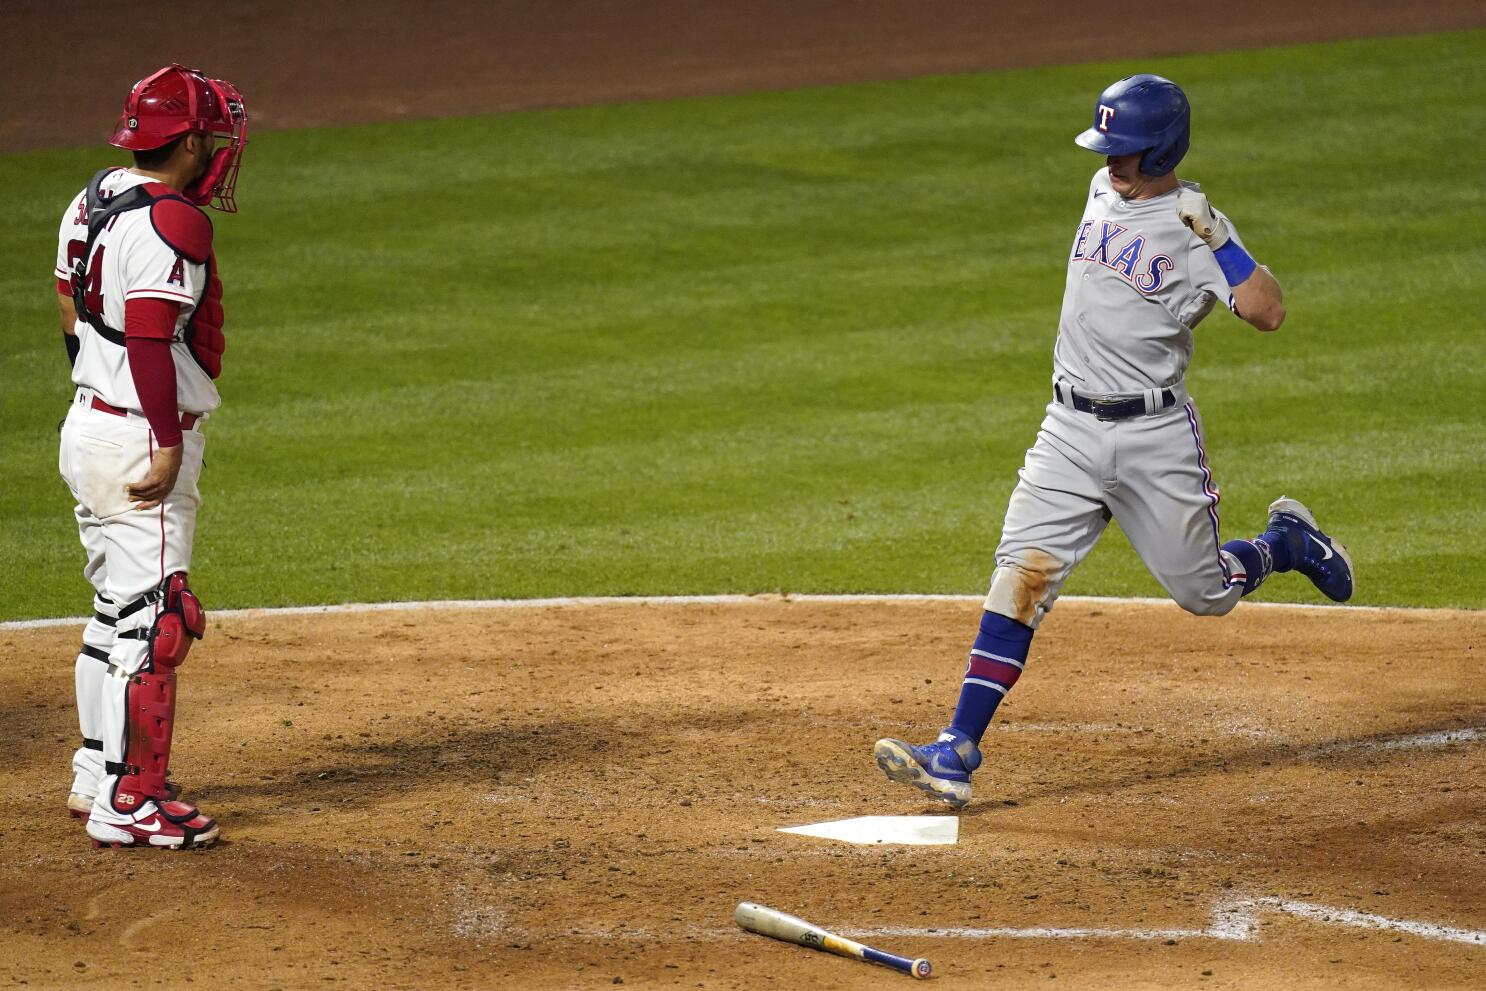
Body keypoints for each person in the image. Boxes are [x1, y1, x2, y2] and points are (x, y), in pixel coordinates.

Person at [874, 74, 1353, 809]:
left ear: (1160, 148)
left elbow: (1268, 311)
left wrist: (1219, 239)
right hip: (1066, 427)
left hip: (1153, 437)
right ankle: (957, 750)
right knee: (1020, 575)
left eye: (1124, 150)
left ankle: (1285, 542)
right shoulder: (1102, 190)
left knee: (1206, 595)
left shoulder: (1197, 230)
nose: (1110, 162)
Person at [54, 64, 247, 848]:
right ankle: (130, 801)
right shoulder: (175, 222)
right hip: (138, 433)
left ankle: (96, 768)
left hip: (88, 426)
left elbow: (69, 301)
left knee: (114, 614)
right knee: (159, 621)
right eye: (217, 136)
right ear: (193, 141)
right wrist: (164, 440)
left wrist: (92, 387)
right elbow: (148, 339)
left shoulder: (92, 195)